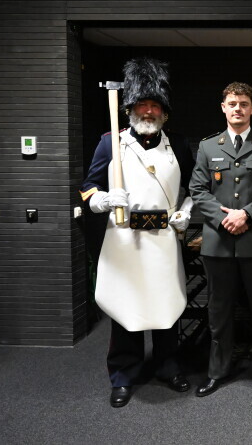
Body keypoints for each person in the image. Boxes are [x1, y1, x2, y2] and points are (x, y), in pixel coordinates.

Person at [80, 58, 195, 408]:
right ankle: (123, 375)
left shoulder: (177, 144)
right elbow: (88, 187)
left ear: (164, 112)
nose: (148, 111)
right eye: (142, 104)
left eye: (154, 105)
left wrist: (186, 210)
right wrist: (102, 200)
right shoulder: (110, 143)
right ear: (130, 108)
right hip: (124, 239)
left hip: (163, 239)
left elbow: (194, 187)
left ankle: (168, 366)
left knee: (166, 305)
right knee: (125, 308)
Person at [190, 82, 252, 399]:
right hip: (218, 242)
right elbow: (197, 190)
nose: (238, 109)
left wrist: (247, 215)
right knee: (219, 312)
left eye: (243, 104)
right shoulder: (208, 147)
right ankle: (217, 371)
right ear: (223, 108)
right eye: (232, 103)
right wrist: (223, 218)